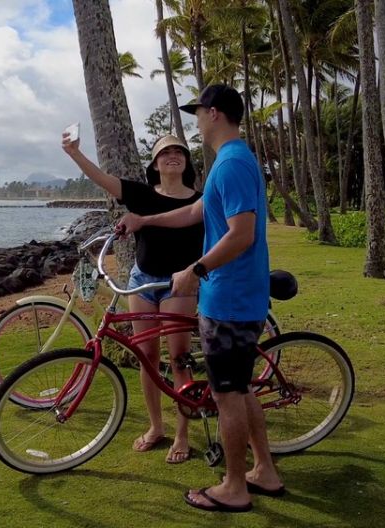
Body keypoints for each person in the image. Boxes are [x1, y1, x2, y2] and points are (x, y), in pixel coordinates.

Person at [118, 84, 283, 513]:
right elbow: (195, 212)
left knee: (227, 394)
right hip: (229, 295)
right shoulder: (228, 162)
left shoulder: (231, 165)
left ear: (212, 113)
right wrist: (145, 220)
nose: (195, 122)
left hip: (229, 298)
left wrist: (196, 270)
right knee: (241, 388)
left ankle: (234, 486)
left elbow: (241, 234)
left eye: (198, 114)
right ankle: (263, 469)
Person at [62, 131, 201, 464]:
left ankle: (183, 434)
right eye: (164, 152)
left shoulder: (200, 199)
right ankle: (157, 427)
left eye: (179, 152)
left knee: (179, 356)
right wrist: (73, 153)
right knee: (146, 356)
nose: (172, 155)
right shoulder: (141, 194)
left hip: (178, 284)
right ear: (154, 164)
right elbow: (102, 179)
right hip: (142, 280)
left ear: (186, 162)